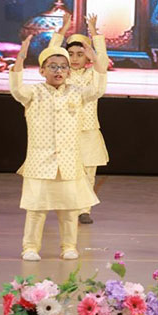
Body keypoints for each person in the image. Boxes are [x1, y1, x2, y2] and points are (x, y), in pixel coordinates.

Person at [10, 26, 107, 261]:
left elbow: (98, 89)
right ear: (42, 70)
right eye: (53, 66)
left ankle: (69, 246)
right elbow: (17, 89)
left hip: (68, 163)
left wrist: (96, 60)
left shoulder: (76, 92)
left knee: (69, 210)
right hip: (39, 163)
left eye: (63, 67)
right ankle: (30, 247)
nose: (59, 71)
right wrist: (20, 59)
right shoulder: (33, 93)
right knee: (36, 209)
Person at [61, 13, 109, 224]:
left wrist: (94, 33)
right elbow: (50, 56)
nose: (74, 59)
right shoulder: (62, 75)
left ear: (87, 56)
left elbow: (102, 63)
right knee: (68, 172)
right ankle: (69, 206)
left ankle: (84, 210)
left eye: (80, 54)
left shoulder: (93, 74)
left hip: (88, 130)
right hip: (66, 131)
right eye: (71, 54)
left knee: (88, 172)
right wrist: (63, 30)